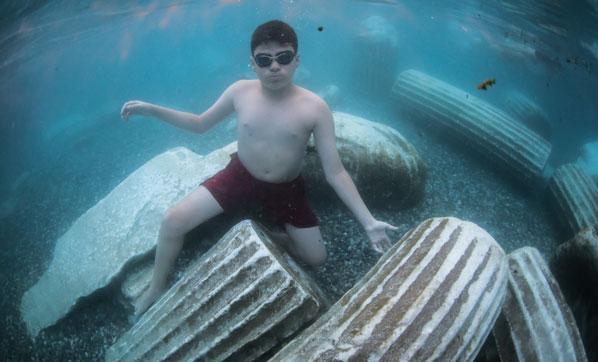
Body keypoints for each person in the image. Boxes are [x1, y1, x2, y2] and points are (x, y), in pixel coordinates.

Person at [121, 20, 398, 316]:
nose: (274, 67)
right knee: (173, 221)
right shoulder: (240, 91)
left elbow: (336, 172)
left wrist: (368, 221)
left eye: (284, 57)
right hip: (239, 176)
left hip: (287, 189)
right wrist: (151, 110)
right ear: (253, 63)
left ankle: (266, 231)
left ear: (297, 60)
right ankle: (156, 287)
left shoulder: (315, 108)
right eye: (265, 60)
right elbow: (200, 124)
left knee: (316, 257)